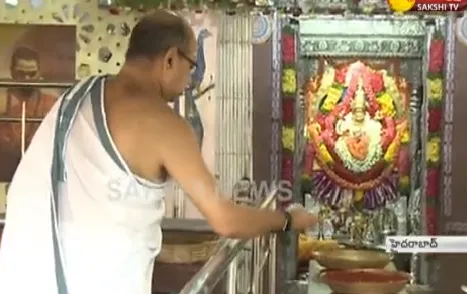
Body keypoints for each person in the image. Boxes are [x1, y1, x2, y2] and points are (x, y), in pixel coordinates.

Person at [0, 10, 317, 294]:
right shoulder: (163, 122)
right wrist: (287, 220)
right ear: (170, 59)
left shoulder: (73, 97)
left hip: (20, 278)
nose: (191, 81)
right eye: (191, 66)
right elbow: (224, 219)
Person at [0, 46, 57, 181]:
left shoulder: (52, 104)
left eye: (32, 74)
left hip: (39, 178)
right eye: (21, 73)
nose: (26, 78)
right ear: (12, 72)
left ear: (39, 73)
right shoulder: (1, 103)